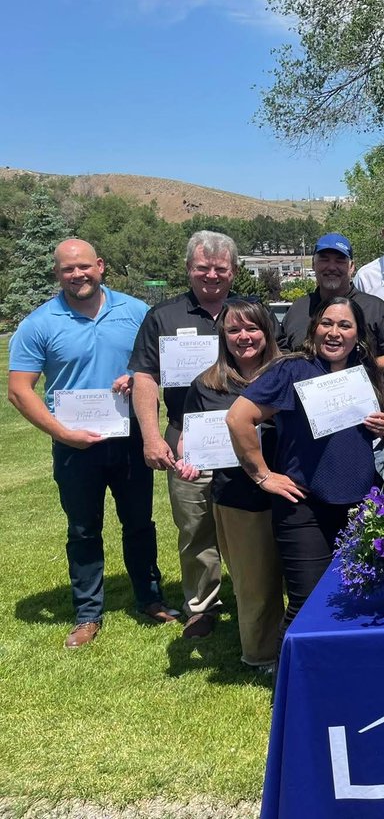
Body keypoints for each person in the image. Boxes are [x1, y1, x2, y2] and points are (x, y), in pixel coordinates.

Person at [8, 239, 175, 649]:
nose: (77, 274)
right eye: (67, 269)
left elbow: (159, 366)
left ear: (100, 266)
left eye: (84, 266)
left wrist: (138, 379)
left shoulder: (135, 312)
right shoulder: (40, 323)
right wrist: (62, 433)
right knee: (83, 529)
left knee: (139, 523)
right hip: (74, 446)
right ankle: (87, 614)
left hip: (131, 437)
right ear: (57, 273)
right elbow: (19, 390)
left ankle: (150, 599)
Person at [227, 297, 384, 637]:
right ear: (314, 328)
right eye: (327, 324)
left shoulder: (364, 373)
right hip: (303, 507)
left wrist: (383, 426)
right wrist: (262, 476)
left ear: (358, 335)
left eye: (345, 325)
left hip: (360, 504)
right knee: (307, 602)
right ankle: (289, 683)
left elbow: (375, 428)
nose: (334, 333)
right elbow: (238, 419)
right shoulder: (292, 370)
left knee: (360, 595)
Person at [129, 230, 240, 638]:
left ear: (233, 271)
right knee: (195, 526)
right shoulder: (164, 316)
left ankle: (257, 597)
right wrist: (152, 437)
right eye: (203, 268)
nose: (212, 275)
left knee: (253, 524)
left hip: (245, 440)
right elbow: (144, 377)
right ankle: (202, 605)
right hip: (187, 439)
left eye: (220, 268)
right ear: (189, 269)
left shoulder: (248, 311)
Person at [174, 300, 284, 669]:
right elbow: (190, 440)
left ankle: (306, 647)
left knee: (303, 577)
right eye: (234, 330)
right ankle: (262, 655)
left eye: (252, 328)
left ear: (267, 331)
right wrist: (188, 461)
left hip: (295, 492)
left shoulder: (290, 373)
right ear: (223, 336)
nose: (244, 337)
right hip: (239, 498)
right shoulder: (205, 385)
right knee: (254, 585)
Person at [281, 233, 384, 366]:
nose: (332, 267)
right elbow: (282, 354)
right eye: (324, 260)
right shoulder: (298, 309)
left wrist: (360, 371)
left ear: (352, 267)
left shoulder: (375, 310)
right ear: (314, 265)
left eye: (340, 260)